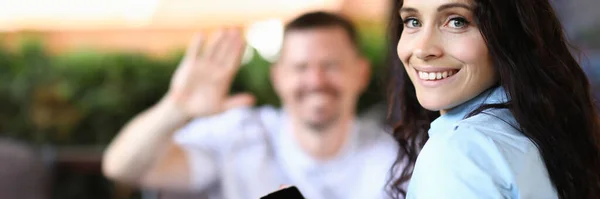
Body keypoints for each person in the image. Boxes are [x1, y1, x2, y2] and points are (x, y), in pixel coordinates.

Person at [102, 11, 399, 199]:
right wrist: (176, 107)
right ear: (278, 77)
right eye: (300, 67)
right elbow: (122, 166)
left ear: (361, 73)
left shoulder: (394, 156)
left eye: (330, 65)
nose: (315, 80)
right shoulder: (239, 134)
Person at [385, 0, 600, 198]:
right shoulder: (534, 128)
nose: (422, 49)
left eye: (457, 22)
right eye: (413, 21)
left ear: (508, 33)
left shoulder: (459, 154)